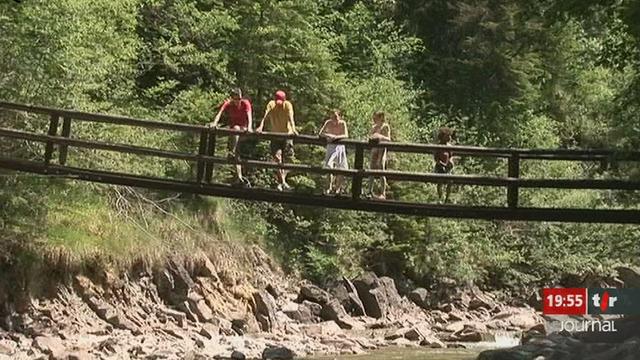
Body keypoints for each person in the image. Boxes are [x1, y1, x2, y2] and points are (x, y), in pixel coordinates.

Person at [256, 90, 298, 191]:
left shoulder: (287, 105)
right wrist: (260, 127)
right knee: (277, 159)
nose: (279, 104)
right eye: (277, 102)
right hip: (275, 135)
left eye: (281, 102)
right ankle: (282, 182)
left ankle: (282, 181)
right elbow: (265, 116)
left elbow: (291, 117)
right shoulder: (271, 105)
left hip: (287, 134)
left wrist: (294, 129)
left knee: (289, 160)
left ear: (284, 100)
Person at [209, 88, 252, 187]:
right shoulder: (228, 104)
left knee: (236, 130)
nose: (238, 101)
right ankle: (239, 178)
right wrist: (215, 123)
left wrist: (249, 127)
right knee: (236, 154)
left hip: (243, 130)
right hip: (233, 132)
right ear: (232, 98)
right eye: (235, 99)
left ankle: (231, 152)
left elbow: (249, 115)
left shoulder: (245, 103)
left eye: (239, 99)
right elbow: (219, 113)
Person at [319, 109, 349, 195]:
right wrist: (329, 135)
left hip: (340, 146)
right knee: (329, 166)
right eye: (332, 117)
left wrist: (336, 137)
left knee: (342, 167)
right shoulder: (328, 122)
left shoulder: (343, 123)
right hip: (331, 146)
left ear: (339, 116)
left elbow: (346, 135)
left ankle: (337, 188)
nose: (334, 119)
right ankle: (329, 187)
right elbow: (321, 133)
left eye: (336, 116)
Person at [368, 111, 391, 199]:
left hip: (382, 149)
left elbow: (388, 139)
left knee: (381, 169)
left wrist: (380, 136)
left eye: (376, 117)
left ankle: (383, 193)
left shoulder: (385, 126)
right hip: (374, 149)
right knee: (371, 170)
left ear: (381, 117)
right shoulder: (374, 127)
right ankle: (369, 191)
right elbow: (370, 136)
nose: (374, 119)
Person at [434, 127, 455, 203]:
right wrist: (441, 163)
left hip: (448, 167)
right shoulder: (438, 146)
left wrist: (451, 161)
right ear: (442, 137)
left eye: (450, 136)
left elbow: (451, 156)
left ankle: (447, 198)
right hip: (440, 167)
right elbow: (436, 158)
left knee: (450, 182)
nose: (449, 137)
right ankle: (440, 198)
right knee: (440, 181)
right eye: (447, 136)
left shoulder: (449, 146)